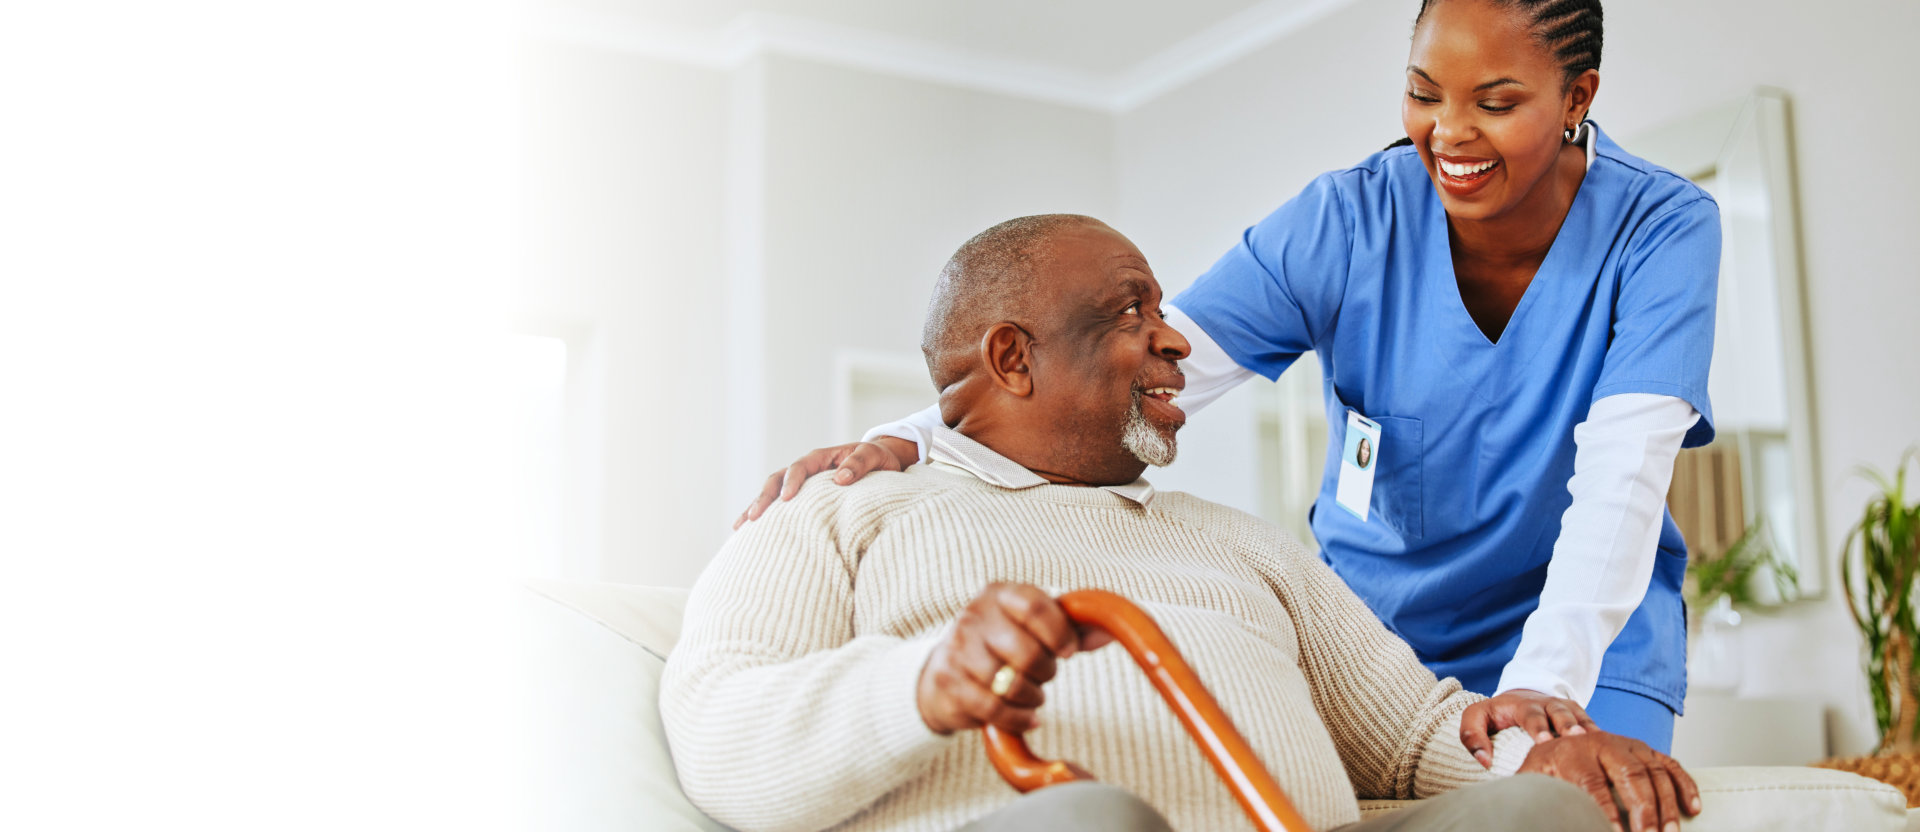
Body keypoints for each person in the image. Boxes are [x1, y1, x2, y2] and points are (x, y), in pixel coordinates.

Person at [737, 0, 1716, 754]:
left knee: (1565, 803)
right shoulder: (1346, 223)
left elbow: (1622, 479)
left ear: (1578, 97)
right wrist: (920, 433)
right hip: (1381, 645)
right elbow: (1148, 368)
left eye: (1496, 104)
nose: (1449, 135)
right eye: (1424, 94)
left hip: (1587, 637)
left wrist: (1542, 687)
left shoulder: (1662, 230)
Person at [666, 215, 1699, 832]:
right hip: (1047, 824)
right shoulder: (840, 509)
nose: (1174, 340)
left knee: (1537, 816)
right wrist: (922, 683)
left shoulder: (1238, 540)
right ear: (1014, 358)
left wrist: (1541, 760)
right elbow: (716, 726)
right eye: (1129, 313)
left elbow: (1419, 736)